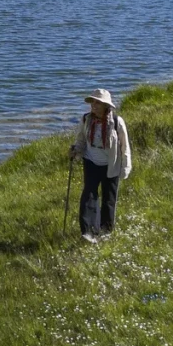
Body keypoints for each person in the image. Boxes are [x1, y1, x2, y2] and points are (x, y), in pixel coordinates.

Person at [69, 88, 132, 242]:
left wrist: (125, 167)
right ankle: (89, 233)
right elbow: (81, 139)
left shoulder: (117, 122)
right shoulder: (86, 119)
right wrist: (76, 150)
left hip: (111, 164)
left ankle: (106, 231)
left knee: (109, 198)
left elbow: (125, 146)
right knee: (89, 196)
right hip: (91, 162)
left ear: (106, 106)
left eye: (98, 102)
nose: (94, 105)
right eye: (93, 102)